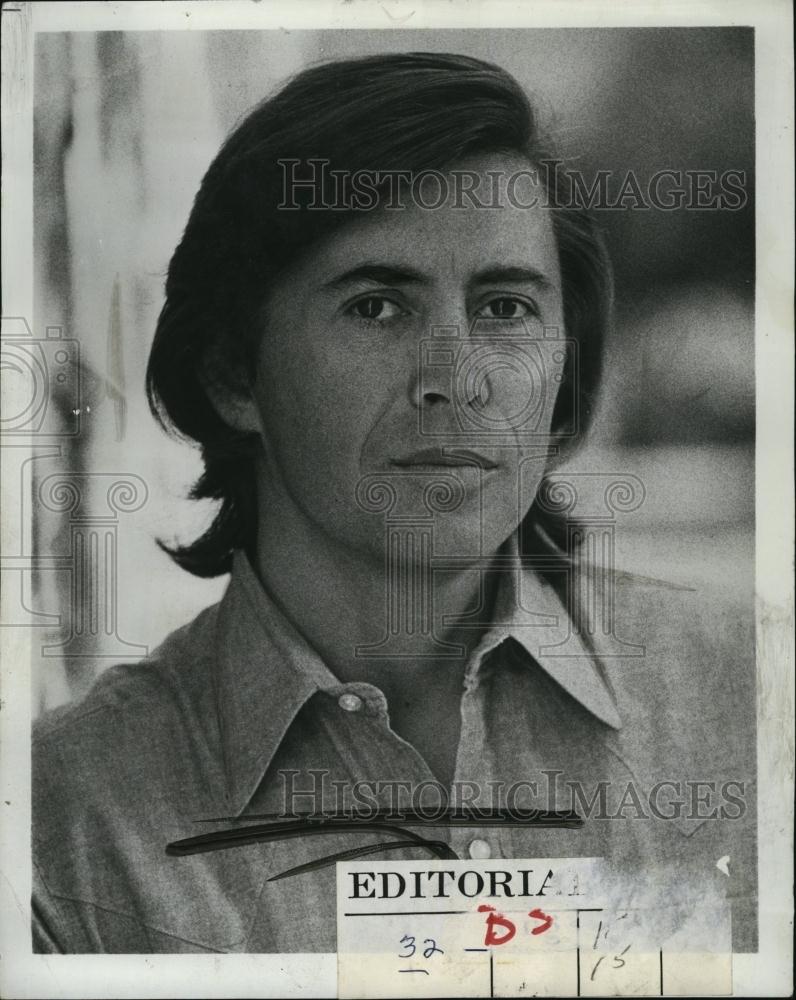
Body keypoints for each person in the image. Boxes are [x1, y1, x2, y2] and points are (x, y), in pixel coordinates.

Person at [33, 52, 755, 954]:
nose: (457, 381)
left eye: (504, 308)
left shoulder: (755, 704)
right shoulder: (63, 824)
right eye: (377, 307)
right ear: (232, 374)